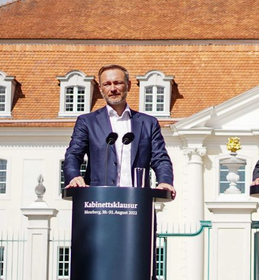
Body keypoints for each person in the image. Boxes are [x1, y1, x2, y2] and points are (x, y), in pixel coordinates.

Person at [64, 64, 176, 196]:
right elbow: (73, 154)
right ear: (100, 89)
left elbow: (160, 158)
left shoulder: (148, 123)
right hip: (98, 201)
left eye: (117, 83)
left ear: (128, 85)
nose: (112, 89)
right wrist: (74, 176)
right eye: (107, 84)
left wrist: (165, 181)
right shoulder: (88, 122)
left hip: (137, 201)